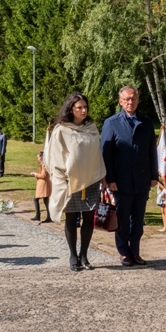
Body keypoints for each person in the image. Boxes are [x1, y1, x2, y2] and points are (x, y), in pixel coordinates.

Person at [46, 93, 107, 272]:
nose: (83, 110)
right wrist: (61, 177)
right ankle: (73, 255)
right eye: (79, 107)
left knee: (89, 217)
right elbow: (55, 155)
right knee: (71, 218)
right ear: (71, 109)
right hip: (70, 180)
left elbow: (96, 154)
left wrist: (102, 175)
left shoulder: (91, 128)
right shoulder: (61, 129)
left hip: (91, 179)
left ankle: (84, 254)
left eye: (85, 107)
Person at [100, 86, 158, 267]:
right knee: (123, 219)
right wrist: (109, 179)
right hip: (121, 182)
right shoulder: (112, 123)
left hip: (142, 180)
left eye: (133, 99)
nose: (130, 102)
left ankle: (136, 252)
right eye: (126, 99)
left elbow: (151, 151)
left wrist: (154, 175)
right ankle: (124, 252)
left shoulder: (146, 122)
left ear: (138, 100)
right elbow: (105, 153)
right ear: (120, 101)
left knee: (138, 220)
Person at [30, 151, 52, 223]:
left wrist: (35, 174)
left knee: (36, 199)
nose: (38, 159)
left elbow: (43, 175)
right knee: (45, 200)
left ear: (42, 157)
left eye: (39, 157)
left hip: (43, 184)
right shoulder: (44, 164)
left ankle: (38, 215)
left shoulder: (44, 165)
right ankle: (48, 216)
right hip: (43, 184)